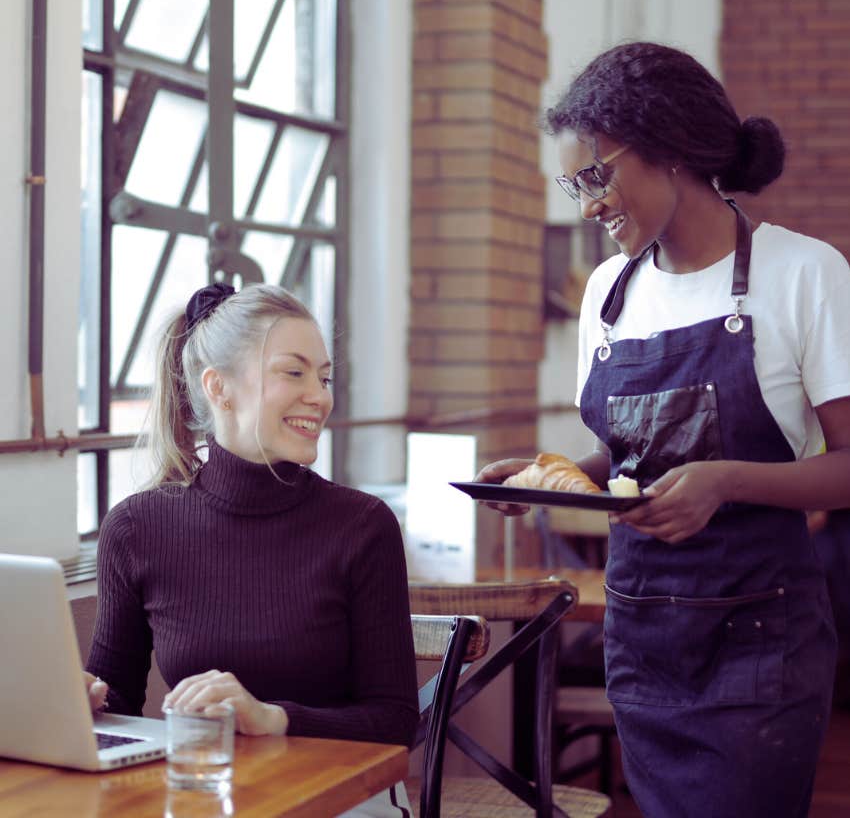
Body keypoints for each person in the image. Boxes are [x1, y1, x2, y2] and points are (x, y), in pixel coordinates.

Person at [481, 42, 850, 817]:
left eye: (596, 176)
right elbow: (631, 462)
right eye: (574, 183)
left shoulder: (804, 274)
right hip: (645, 639)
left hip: (760, 646)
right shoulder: (610, 294)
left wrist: (727, 482)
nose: (587, 205)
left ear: (669, 148)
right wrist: (555, 475)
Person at [84, 282, 418, 817]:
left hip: (340, 800)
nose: (321, 395)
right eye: (295, 372)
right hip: (201, 797)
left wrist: (272, 718)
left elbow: (397, 719)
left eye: (325, 376)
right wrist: (81, 700)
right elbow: (117, 702)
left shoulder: (362, 526)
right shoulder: (136, 527)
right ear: (219, 387)